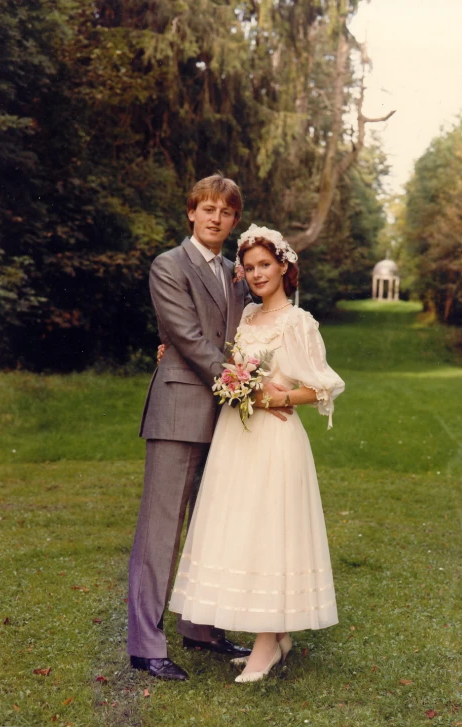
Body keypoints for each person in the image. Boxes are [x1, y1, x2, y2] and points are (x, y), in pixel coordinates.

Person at [168, 224, 345, 683]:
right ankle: (275, 636)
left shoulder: (298, 322)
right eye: (248, 268)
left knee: (271, 533)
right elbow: (209, 348)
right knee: (243, 529)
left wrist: (278, 398)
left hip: (274, 440)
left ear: (284, 267)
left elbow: (322, 386)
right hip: (236, 436)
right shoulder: (244, 316)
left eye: (265, 265)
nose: (256, 274)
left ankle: (268, 644)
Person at [127, 175, 256, 681]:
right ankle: (145, 644)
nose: (215, 218)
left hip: (226, 419)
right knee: (161, 531)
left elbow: (260, 323)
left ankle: (200, 628)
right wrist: (239, 381)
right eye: (206, 209)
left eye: (225, 211)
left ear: (234, 220)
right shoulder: (168, 265)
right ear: (190, 213)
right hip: (181, 410)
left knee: (211, 527)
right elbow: (186, 334)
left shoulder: (237, 272)